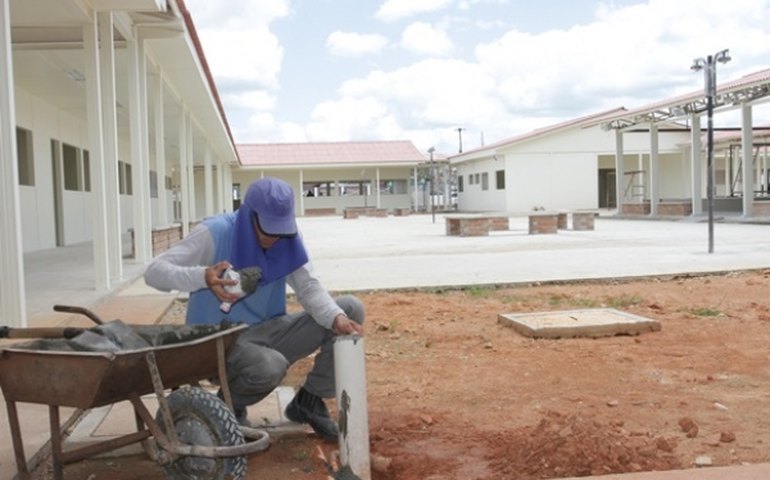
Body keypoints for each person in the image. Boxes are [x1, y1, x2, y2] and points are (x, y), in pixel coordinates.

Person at [144, 177, 364, 442]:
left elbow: (308, 287)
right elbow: (154, 273)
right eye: (267, 228)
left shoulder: (287, 237)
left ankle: (309, 400)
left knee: (349, 308)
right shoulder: (214, 232)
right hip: (217, 339)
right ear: (249, 214)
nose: (273, 237)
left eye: (281, 228)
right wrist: (202, 277)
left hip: (266, 331)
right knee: (269, 367)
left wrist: (335, 318)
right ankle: (227, 405)